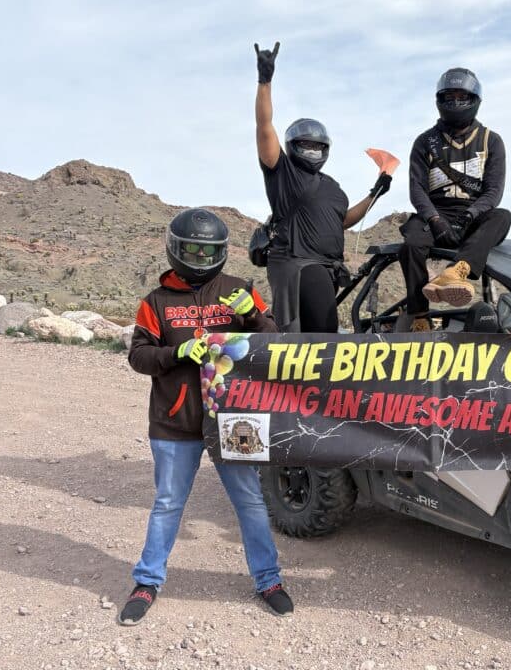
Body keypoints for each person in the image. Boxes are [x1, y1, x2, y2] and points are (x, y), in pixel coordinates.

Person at [120, 208, 293, 625]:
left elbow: (274, 344)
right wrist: (176, 353)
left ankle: (268, 580)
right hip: (174, 422)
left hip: (235, 420)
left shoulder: (239, 289)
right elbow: (138, 356)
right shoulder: (156, 302)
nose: (199, 257)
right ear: (176, 249)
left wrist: (251, 315)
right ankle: (147, 581)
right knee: (167, 504)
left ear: (220, 252)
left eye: (207, 251)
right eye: (192, 250)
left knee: (250, 502)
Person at [254, 41, 392, 332]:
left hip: (328, 267)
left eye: (318, 146)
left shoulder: (333, 187)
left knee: (316, 335)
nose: (312, 150)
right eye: (306, 145)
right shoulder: (283, 172)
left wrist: (375, 193)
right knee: (320, 334)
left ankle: (310, 379)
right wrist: (265, 81)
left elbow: (341, 221)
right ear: (293, 146)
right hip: (298, 264)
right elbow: (265, 126)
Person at [399, 67, 511, 331]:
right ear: (440, 100)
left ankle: (457, 270)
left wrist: (473, 213)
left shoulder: (490, 141)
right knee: (411, 244)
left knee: (502, 216)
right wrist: (434, 219)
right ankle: (419, 315)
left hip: (472, 213)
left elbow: (493, 191)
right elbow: (417, 189)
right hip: (435, 212)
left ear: (474, 100)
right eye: (449, 97)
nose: (455, 102)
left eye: (462, 96)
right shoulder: (424, 141)